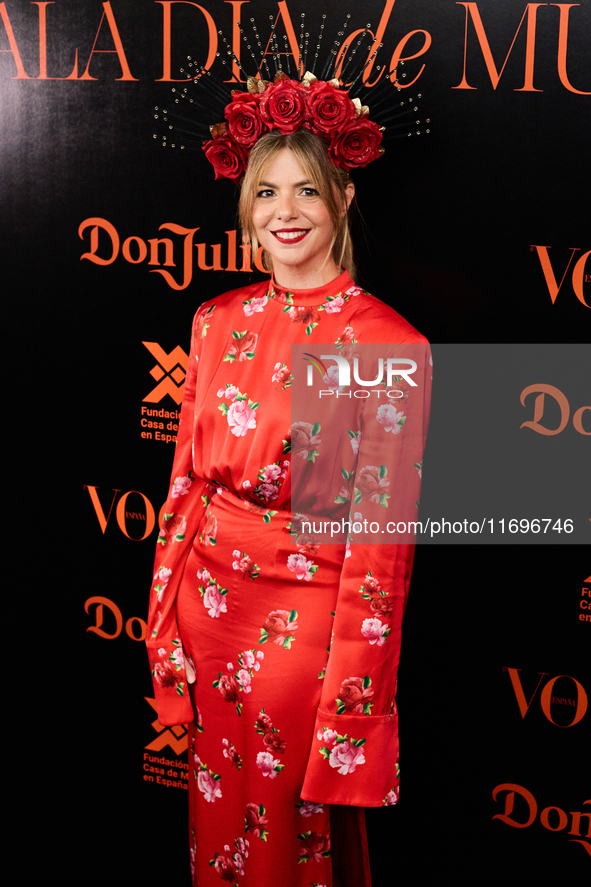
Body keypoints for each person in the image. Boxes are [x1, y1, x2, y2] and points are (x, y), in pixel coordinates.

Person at [147, 72, 431, 887]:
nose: (285, 212)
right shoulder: (215, 319)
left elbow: (380, 547)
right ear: (245, 209)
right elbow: (184, 486)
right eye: (265, 191)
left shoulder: (384, 344)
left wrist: (352, 701)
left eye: (307, 189)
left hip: (301, 631)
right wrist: (164, 619)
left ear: (341, 199)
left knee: (285, 831)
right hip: (209, 606)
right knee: (216, 819)